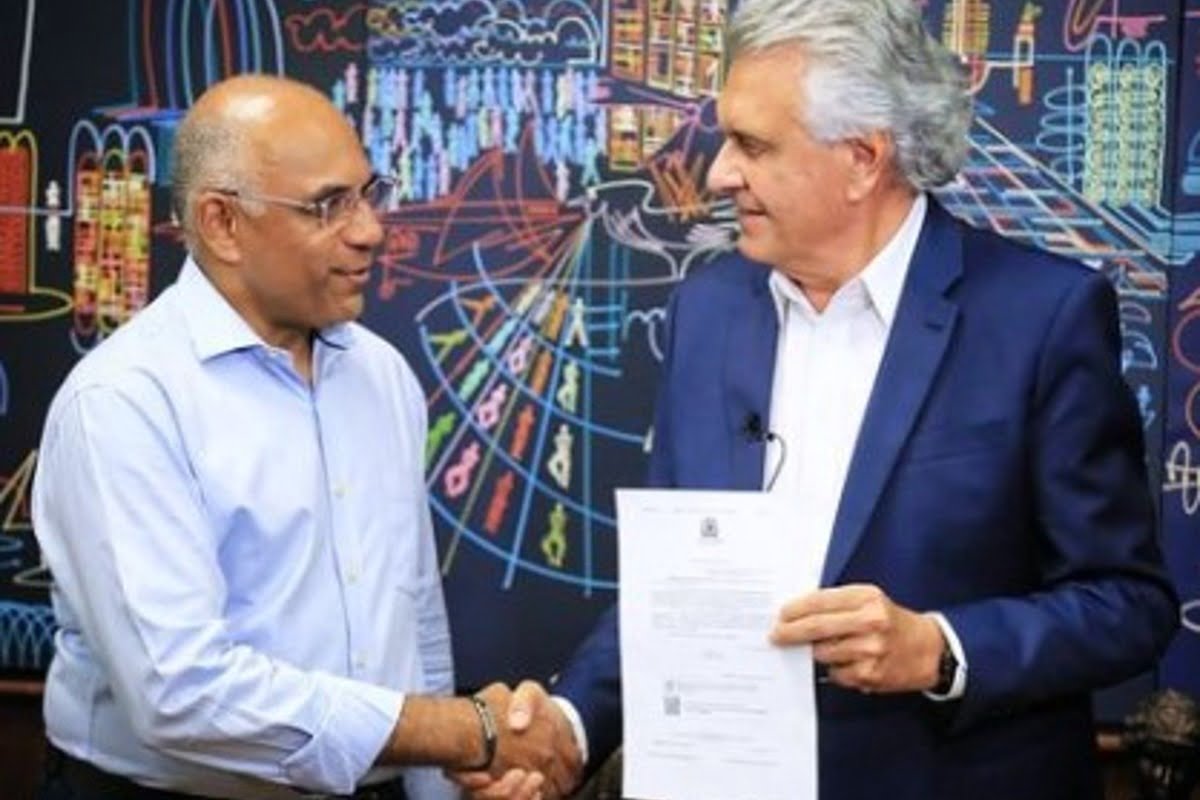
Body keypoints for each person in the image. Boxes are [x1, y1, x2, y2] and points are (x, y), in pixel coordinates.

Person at [456, 0, 1179, 798]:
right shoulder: (708, 312)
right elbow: (680, 587)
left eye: (753, 146)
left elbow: (1128, 604)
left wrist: (940, 648)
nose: (719, 174)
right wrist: (570, 726)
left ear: (863, 158)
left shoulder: (1040, 317)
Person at [32, 75, 576, 800]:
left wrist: (449, 778)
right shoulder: (125, 403)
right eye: (329, 206)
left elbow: (411, 618)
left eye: (368, 194)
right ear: (223, 223)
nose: (370, 230)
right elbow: (179, 692)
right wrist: (463, 730)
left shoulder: (381, 375)